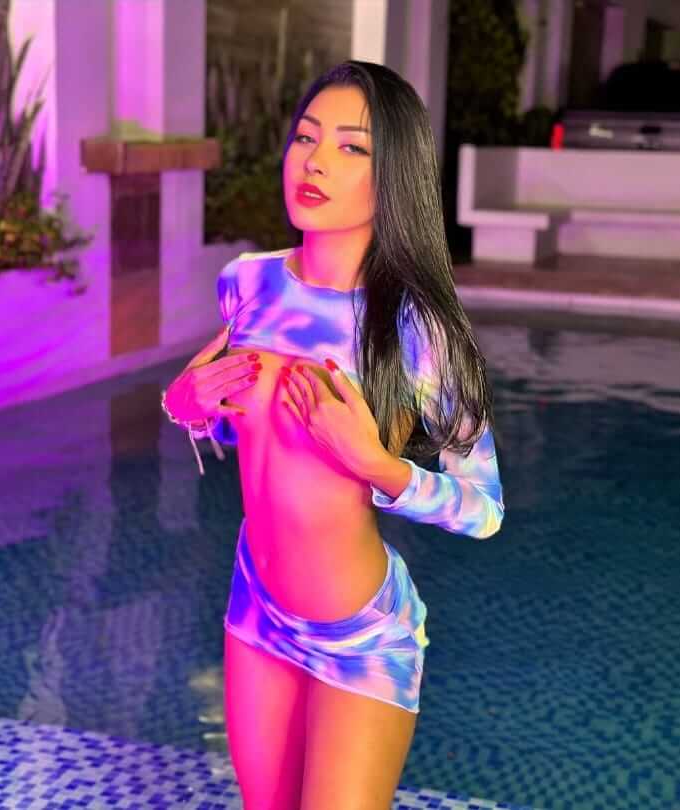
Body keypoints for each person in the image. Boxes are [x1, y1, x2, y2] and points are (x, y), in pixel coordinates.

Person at [162, 60, 504, 810]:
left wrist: (375, 464)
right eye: (306, 138)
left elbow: (484, 510)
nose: (315, 161)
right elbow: (224, 417)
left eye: (352, 147)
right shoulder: (247, 283)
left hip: (361, 637)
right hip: (256, 607)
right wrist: (185, 402)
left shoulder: (419, 328)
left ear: (394, 177)